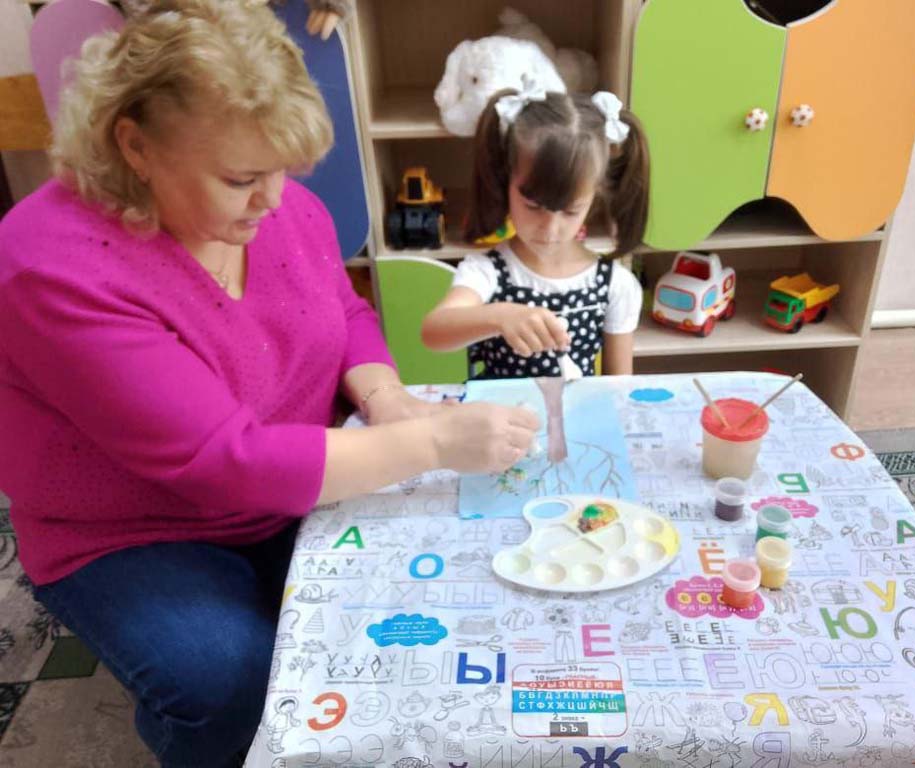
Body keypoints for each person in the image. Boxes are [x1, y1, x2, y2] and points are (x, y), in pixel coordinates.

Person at [0, 1, 537, 766]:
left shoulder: (274, 209)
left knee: (401, 621)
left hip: (286, 489)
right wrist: (433, 442)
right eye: (242, 178)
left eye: (284, 171)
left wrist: (385, 397)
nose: (276, 199)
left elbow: (344, 311)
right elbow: (228, 462)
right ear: (135, 145)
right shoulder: (52, 266)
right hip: (131, 531)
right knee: (229, 680)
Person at [421, 83, 651, 379]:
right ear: (505, 180)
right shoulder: (487, 272)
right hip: (496, 409)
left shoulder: (615, 285)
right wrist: (499, 316)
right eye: (533, 206)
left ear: (594, 198)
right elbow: (434, 331)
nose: (549, 228)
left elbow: (618, 386)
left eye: (570, 211)